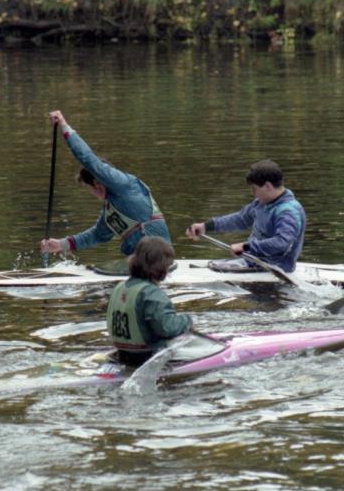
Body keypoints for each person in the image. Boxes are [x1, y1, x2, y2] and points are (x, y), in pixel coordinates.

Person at [40, 110, 171, 257]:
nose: (92, 193)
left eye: (89, 188)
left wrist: (64, 125)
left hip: (156, 254)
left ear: (96, 183)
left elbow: (88, 159)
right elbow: (97, 235)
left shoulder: (123, 183)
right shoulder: (110, 211)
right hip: (139, 257)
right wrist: (62, 244)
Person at [185, 159, 306, 273]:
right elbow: (240, 220)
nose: (253, 193)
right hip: (254, 261)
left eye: (254, 189)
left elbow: (281, 243)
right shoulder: (261, 204)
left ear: (268, 186)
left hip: (276, 267)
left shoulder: (288, 212)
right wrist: (206, 226)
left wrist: (246, 246)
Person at [106, 236, 193, 367]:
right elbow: (166, 328)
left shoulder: (119, 287)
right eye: (168, 265)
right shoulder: (152, 294)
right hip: (148, 358)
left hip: (122, 355)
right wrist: (187, 321)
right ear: (161, 267)